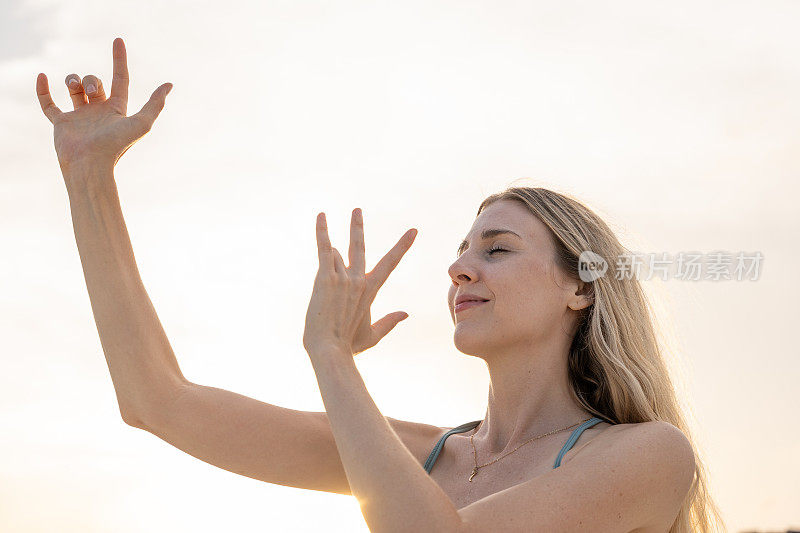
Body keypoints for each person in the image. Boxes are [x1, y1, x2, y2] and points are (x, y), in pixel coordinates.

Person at [37, 37, 726, 532]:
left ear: (580, 288)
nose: (460, 268)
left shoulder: (648, 454)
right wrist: (90, 180)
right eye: (461, 251)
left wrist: (332, 358)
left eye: (498, 248)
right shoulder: (415, 457)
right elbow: (157, 400)